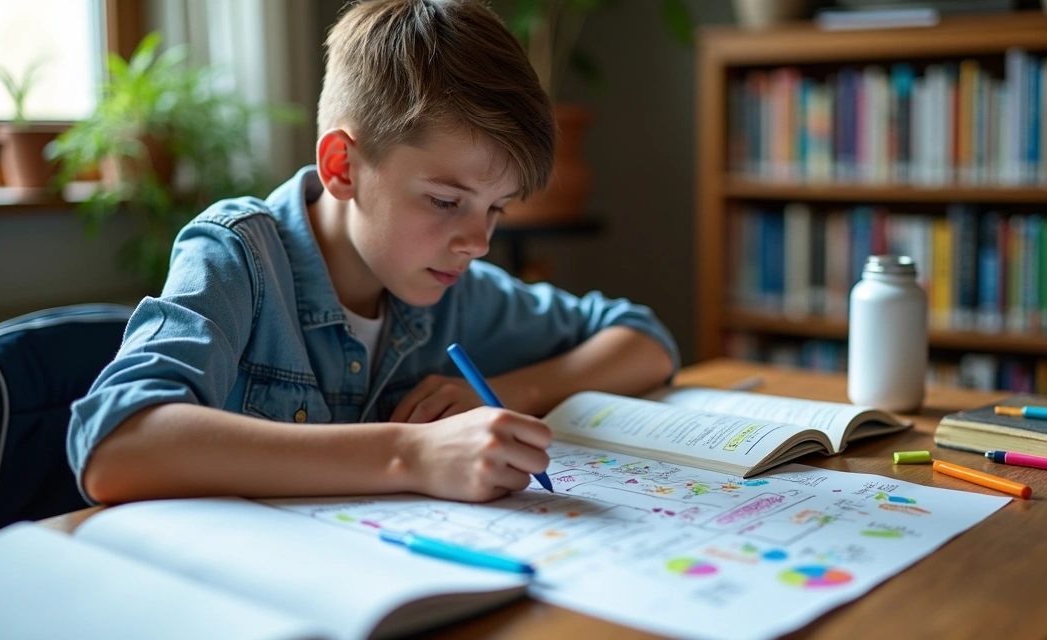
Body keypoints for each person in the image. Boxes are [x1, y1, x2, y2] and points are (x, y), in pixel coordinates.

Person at [68, 0, 679, 506]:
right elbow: (116, 446)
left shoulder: (450, 284)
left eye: (497, 208)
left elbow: (644, 341)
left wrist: (500, 392)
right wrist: (410, 453)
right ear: (342, 166)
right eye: (446, 201)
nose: (479, 242)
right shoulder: (236, 258)